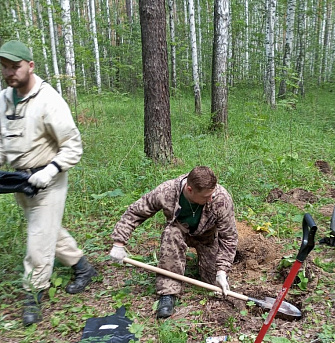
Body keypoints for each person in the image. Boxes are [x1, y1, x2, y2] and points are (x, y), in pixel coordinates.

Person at [0, 40, 97, 326]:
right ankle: (82, 266)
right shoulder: (5, 98)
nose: (9, 72)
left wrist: (51, 169)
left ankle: (34, 292)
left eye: (15, 66)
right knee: (46, 231)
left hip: (48, 180)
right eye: (4, 67)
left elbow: (73, 145)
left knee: (37, 239)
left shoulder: (48, 100)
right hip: (20, 181)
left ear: (30, 66)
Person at [110, 166, 238, 318]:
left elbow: (228, 237)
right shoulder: (167, 191)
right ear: (190, 190)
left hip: (207, 237)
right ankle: (168, 292)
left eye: (212, 194)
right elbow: (135, 212)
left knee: (213, 284)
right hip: (179, 232)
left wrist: (222, 270)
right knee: (172, 233)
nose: (211, 199)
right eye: (206, 197)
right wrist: (119, 243)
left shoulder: (221, 198)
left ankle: (210, 271)